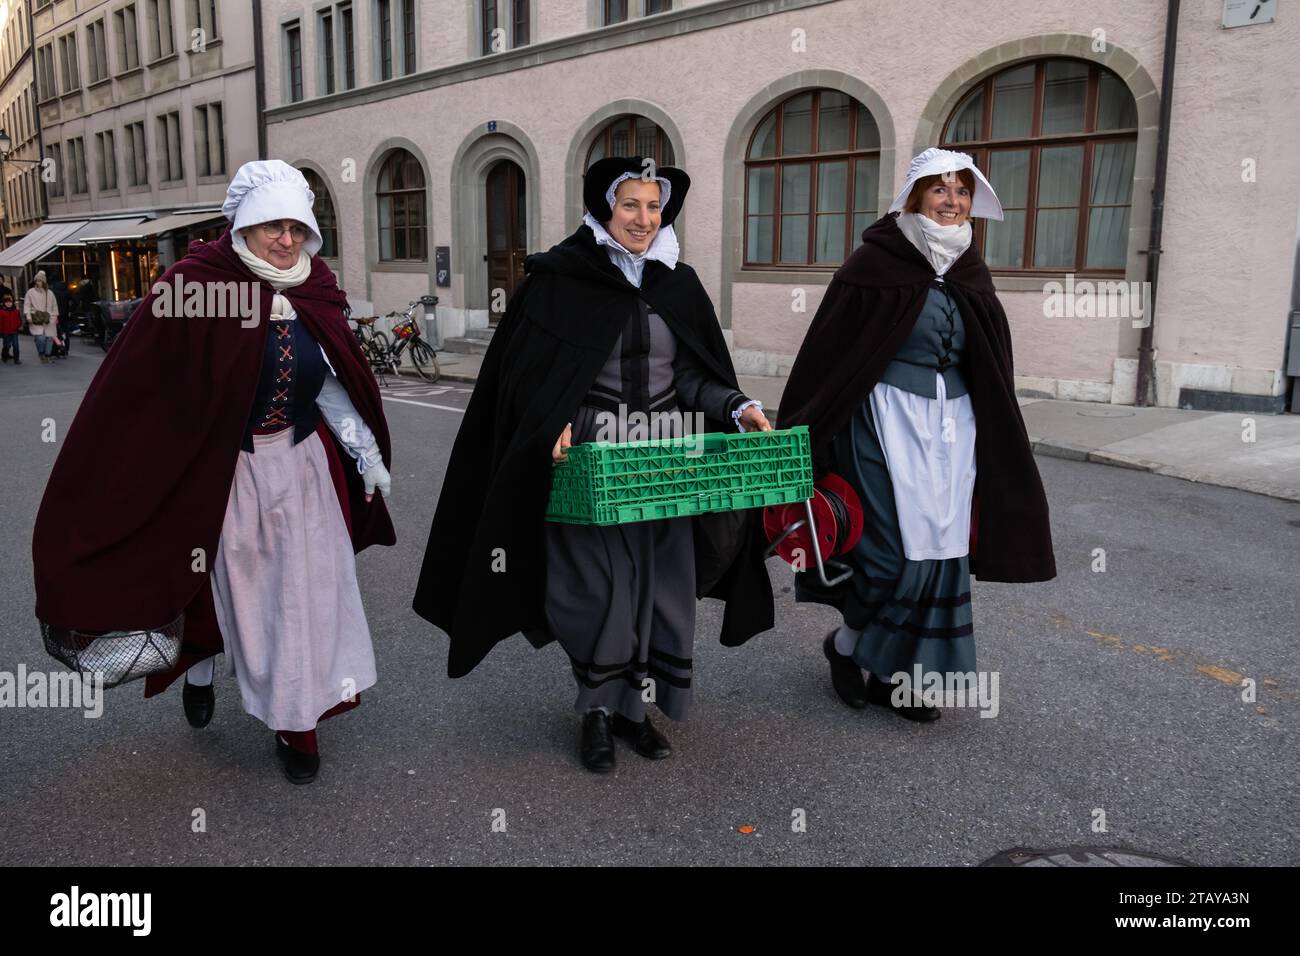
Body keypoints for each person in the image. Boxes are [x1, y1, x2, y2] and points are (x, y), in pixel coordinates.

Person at [32, 160, 396, 784]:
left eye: (295, 227)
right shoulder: (194, 285)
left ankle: (296, 724)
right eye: (270, 227)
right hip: (226, 472)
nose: (286, 241)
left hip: (304, 467)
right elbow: (141, 393)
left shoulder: (315, 287)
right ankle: (198, 667)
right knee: (215, 586)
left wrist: (366, 453)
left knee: (299, 598)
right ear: (240, 225)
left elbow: (334, 383)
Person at [413, 156, 775, 772]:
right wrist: (553, 418)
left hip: (667, 458)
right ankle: (598, 713)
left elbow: (692, 373)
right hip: (590, 458)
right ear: (604, 207)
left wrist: (737, 405)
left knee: (662, 591)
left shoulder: (677, 281)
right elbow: (530, 377)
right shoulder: (559, 280)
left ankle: (638, 712)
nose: (643, 218)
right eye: (630, 204)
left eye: (653, 205)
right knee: (599, 591)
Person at [779, 147, 1056, 722]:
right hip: (882, 419)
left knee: (939, 551)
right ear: (914, 197)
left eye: (962, 191)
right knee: (888, 553)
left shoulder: (970, 269)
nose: (952, 202)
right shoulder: (873, 265)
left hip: (954, 429)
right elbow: (830, 355)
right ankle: (847, 647)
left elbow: (988, 357)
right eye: (940, 190)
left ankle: (893, 676)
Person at [23, 271, 60, 364]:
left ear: (44, 282)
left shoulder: (50, 293)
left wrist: (55, 316)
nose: (37, 282)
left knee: (50, 338)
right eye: (37, 280)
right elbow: (27, 305)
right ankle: (41, 353)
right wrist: (28, 316)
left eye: (40, 280)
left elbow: (54, 305)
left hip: (49, 318)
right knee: (40, 338)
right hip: (36, 318)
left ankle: (47, 356)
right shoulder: (30, 292)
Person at [0, 292, 21, 364]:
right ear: (4, 303)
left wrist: (17, 326)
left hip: (14, 331)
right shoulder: (1, 312)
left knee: (16, 345)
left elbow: (18, 320)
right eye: (6, 302)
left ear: (12, 303)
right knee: (7, 345)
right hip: (5, 332)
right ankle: (4, 356)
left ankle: (16, 358)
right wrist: (1, 331)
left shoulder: (16, 311)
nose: (8, 303)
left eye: (10, 302)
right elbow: (0, 322)